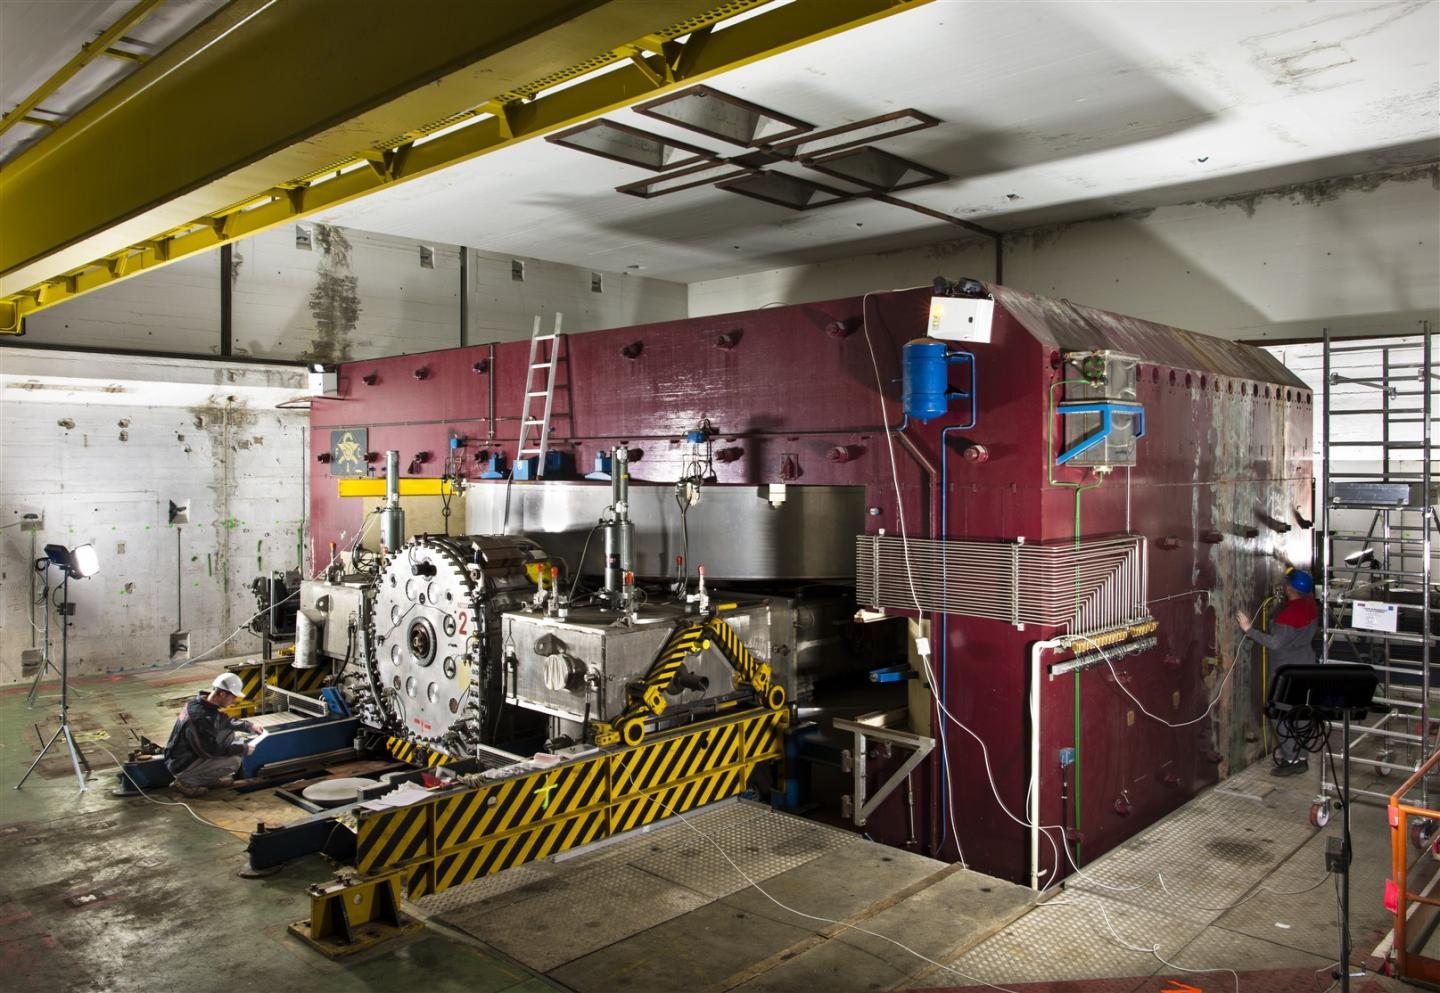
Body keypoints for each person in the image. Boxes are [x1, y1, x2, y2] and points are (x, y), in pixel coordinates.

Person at [1236, 568, 1319, 775]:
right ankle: (1301, 756)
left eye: (1287, 583)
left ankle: (1291, 761)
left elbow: (1276, 643)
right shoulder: (1309, 605)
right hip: (1306, 663)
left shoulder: (1291, 615)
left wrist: (1249, 630)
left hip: (1287, 669)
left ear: (1290, 588)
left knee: (1280, 713)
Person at [164, 672, 261, 797]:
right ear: (223, 694)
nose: (234, 700)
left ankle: (206, 779)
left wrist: (249, 726)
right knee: (234, 760)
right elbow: (210, 751)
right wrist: (243, 748)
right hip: (181, 764)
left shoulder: (200, 703)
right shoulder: (201, 717)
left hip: (181, 755)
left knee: (229, 733)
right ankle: (186, 782)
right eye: (233, 697)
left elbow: (224, 720)